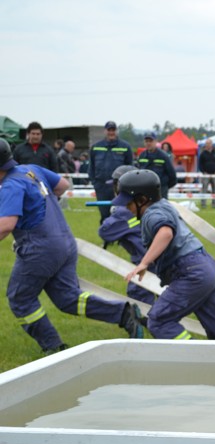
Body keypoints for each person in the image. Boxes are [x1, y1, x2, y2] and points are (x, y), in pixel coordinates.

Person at [0, 139, 144, 355]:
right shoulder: (31, 170)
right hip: (65, 242)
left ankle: (53, 347)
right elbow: (62, 186)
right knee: (68, 299)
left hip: (40, 249)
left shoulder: (11, 185)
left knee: (20, 298)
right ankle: (123, 315)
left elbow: (6, 226)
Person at [117, 169, 215, 340]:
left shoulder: (151, 214)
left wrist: (144, 263)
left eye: (128, 203)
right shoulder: (164, 205)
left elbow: (165, 233)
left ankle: (195, 360)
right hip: (207, 267)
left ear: (142, 200)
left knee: (158, 321)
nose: (127, 208)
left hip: (191, 273)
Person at [98, 165, 156, 305]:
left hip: (145, 260)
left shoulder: (124, 212)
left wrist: (115, 212)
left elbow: (105, 232)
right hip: (162, 257)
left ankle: (146, 320)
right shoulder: (148, 204)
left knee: (138, 296)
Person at [89, 121, 134, 222]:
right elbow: (91, 168)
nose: (111, 132)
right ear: (105, 131)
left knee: (121, 214)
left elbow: (130, 168)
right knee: (104, 215)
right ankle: (106, 236)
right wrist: (95, 183)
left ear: (116, 131)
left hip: (119, 188)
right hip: (101, 187)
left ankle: (122, 237)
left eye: (113, 130)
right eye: (109, 130)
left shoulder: (125, 147)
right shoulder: (96, 147)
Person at [137, 131, 178, 199]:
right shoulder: (142, 156)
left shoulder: (163, 156)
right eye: (146, 141)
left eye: (151, 141)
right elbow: (138, 173)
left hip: (160, 192)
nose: (148, 143)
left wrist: (163, 187)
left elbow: (172, 177)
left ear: (156, 141)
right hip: (145, 191)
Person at [198, 139, 215, 208]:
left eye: (209, 143)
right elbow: (200, 164)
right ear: (205, 145)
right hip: (206, 174)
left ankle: (214, 204)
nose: (208, 145)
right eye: (207, 144)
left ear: (211, 144)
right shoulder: (203, 154)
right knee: (204, 189)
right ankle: (203, 204)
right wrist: (203, 172)